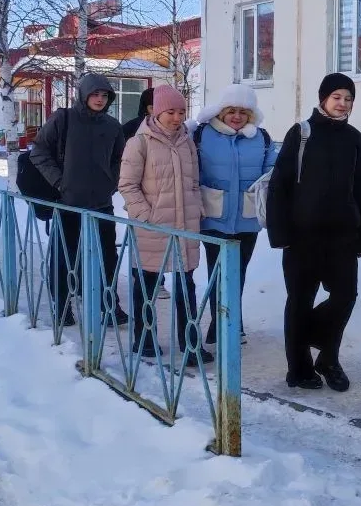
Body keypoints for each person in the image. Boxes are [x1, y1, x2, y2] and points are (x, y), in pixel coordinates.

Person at [267, 73, 361, 392]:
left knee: (345, 296)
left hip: (342, 236)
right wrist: (280, 233)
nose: (343, 104)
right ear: (323, 98)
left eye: (348, 99)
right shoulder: (301, 133)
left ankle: (326, 357)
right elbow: (279, 185)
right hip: (302, 237)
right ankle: (299, 370)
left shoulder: (354, 137)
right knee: (300, 300)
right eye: (337, 97)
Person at [118, 85, 212, 365]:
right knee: (146, 285)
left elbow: (193, 182)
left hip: (184, 226)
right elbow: (127, 185)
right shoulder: (139, 142)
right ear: (157, 112)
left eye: (181, 112)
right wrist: (147, 216)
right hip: (152, 228)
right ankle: (144, 340)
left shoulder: (187, 142)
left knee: (186, 285)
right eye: (170, 112)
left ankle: (190, 345)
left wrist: (197, 208)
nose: (176, 117)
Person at [30, 73, 127, 328]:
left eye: (104, 95)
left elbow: (120, 159)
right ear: (83, 95)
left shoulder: (112, 126)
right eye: (95, 94)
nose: (100, 99)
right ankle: (62, 307)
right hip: (68, 203)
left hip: (101, 204)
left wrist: (111, 183)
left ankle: (108, 306)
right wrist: (60, 182)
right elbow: (38, 151)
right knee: (64, 258)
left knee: (107, 258)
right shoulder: (64, 119)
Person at [194, 84, 277, 345]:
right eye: (231, 111)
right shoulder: (202, 134)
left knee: (238, 272)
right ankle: (220, 324)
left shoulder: (261, 138)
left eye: (243, 112)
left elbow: (272, 171)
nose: (237, 117)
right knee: (217, 272)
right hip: (213, 216)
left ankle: (231, 323)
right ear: (222, 111)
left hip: (246, 218)